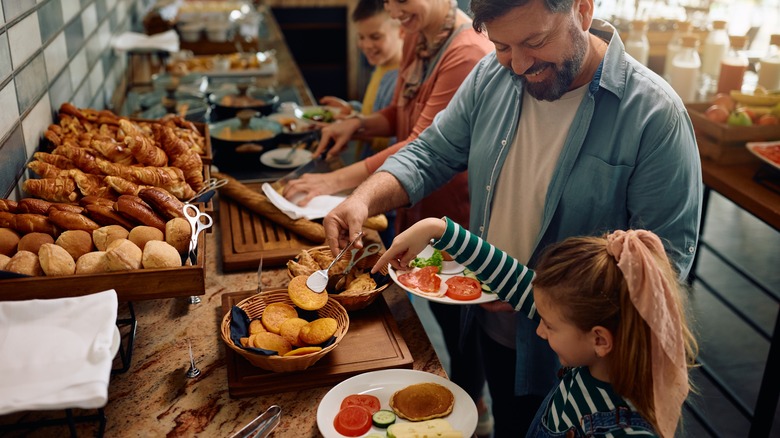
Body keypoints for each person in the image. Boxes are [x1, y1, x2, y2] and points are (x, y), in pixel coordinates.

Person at [319, 0, 702, 434]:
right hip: (493, 326)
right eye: (502, 46)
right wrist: (363, 198)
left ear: (582, 9)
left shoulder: (654, 116)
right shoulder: (490, 75)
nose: (518, 65)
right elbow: (430, 153)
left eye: (535, 42)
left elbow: (662, 271)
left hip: (587, 363)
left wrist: (541, 296)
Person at [283, 0, 495, 432]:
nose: (395, 10)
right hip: (413, 207)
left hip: (454, 215)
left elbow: (424, 144)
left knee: (462, 323)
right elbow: (403, 117)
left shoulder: (468, 52)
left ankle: (473, 407)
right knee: (435, 317)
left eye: (402, 3)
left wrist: (334, 182)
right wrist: (358, 124)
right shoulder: (417, 34)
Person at [372, 217, 698, 438]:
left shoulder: (623, 431)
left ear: (600, 339)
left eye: (550, 326)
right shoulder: (594, 355)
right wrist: (437, 228)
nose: (540, 331)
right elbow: (514, 279)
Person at [318, 0, 403, 162]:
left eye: (375, 37)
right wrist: (350, 110)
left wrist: (354, 128)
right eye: (361, 37)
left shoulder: (401, 78)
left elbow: (393, 142)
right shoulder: (380, 66)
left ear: (402, 30)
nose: (366, 45)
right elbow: (372, 112)